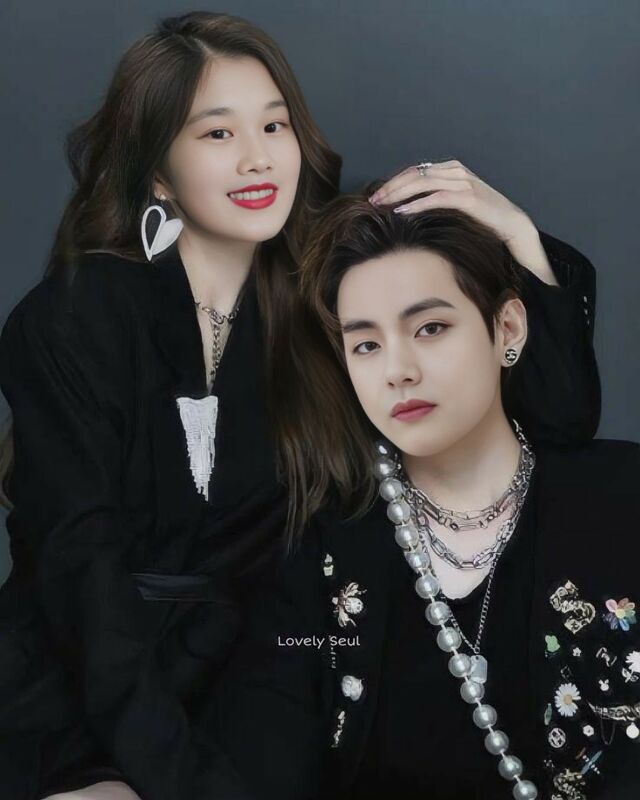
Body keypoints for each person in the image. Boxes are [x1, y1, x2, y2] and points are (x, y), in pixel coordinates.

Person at [0, 10, 602, 800]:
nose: (258, 158)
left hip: (263, 684)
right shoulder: (74, 319)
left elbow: (560, 419)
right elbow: (79, 575)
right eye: (217, 133)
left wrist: (516, 232)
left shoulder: (330, 298)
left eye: (275, 125)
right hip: (81, 688)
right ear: (158, 171)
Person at [205, 194, 638, 799]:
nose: (398, 370)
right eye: (366, 344)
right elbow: (262, 753)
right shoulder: (318, 545)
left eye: (430, 328)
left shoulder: (620, 498)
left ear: (508, 328)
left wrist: (521, 236)